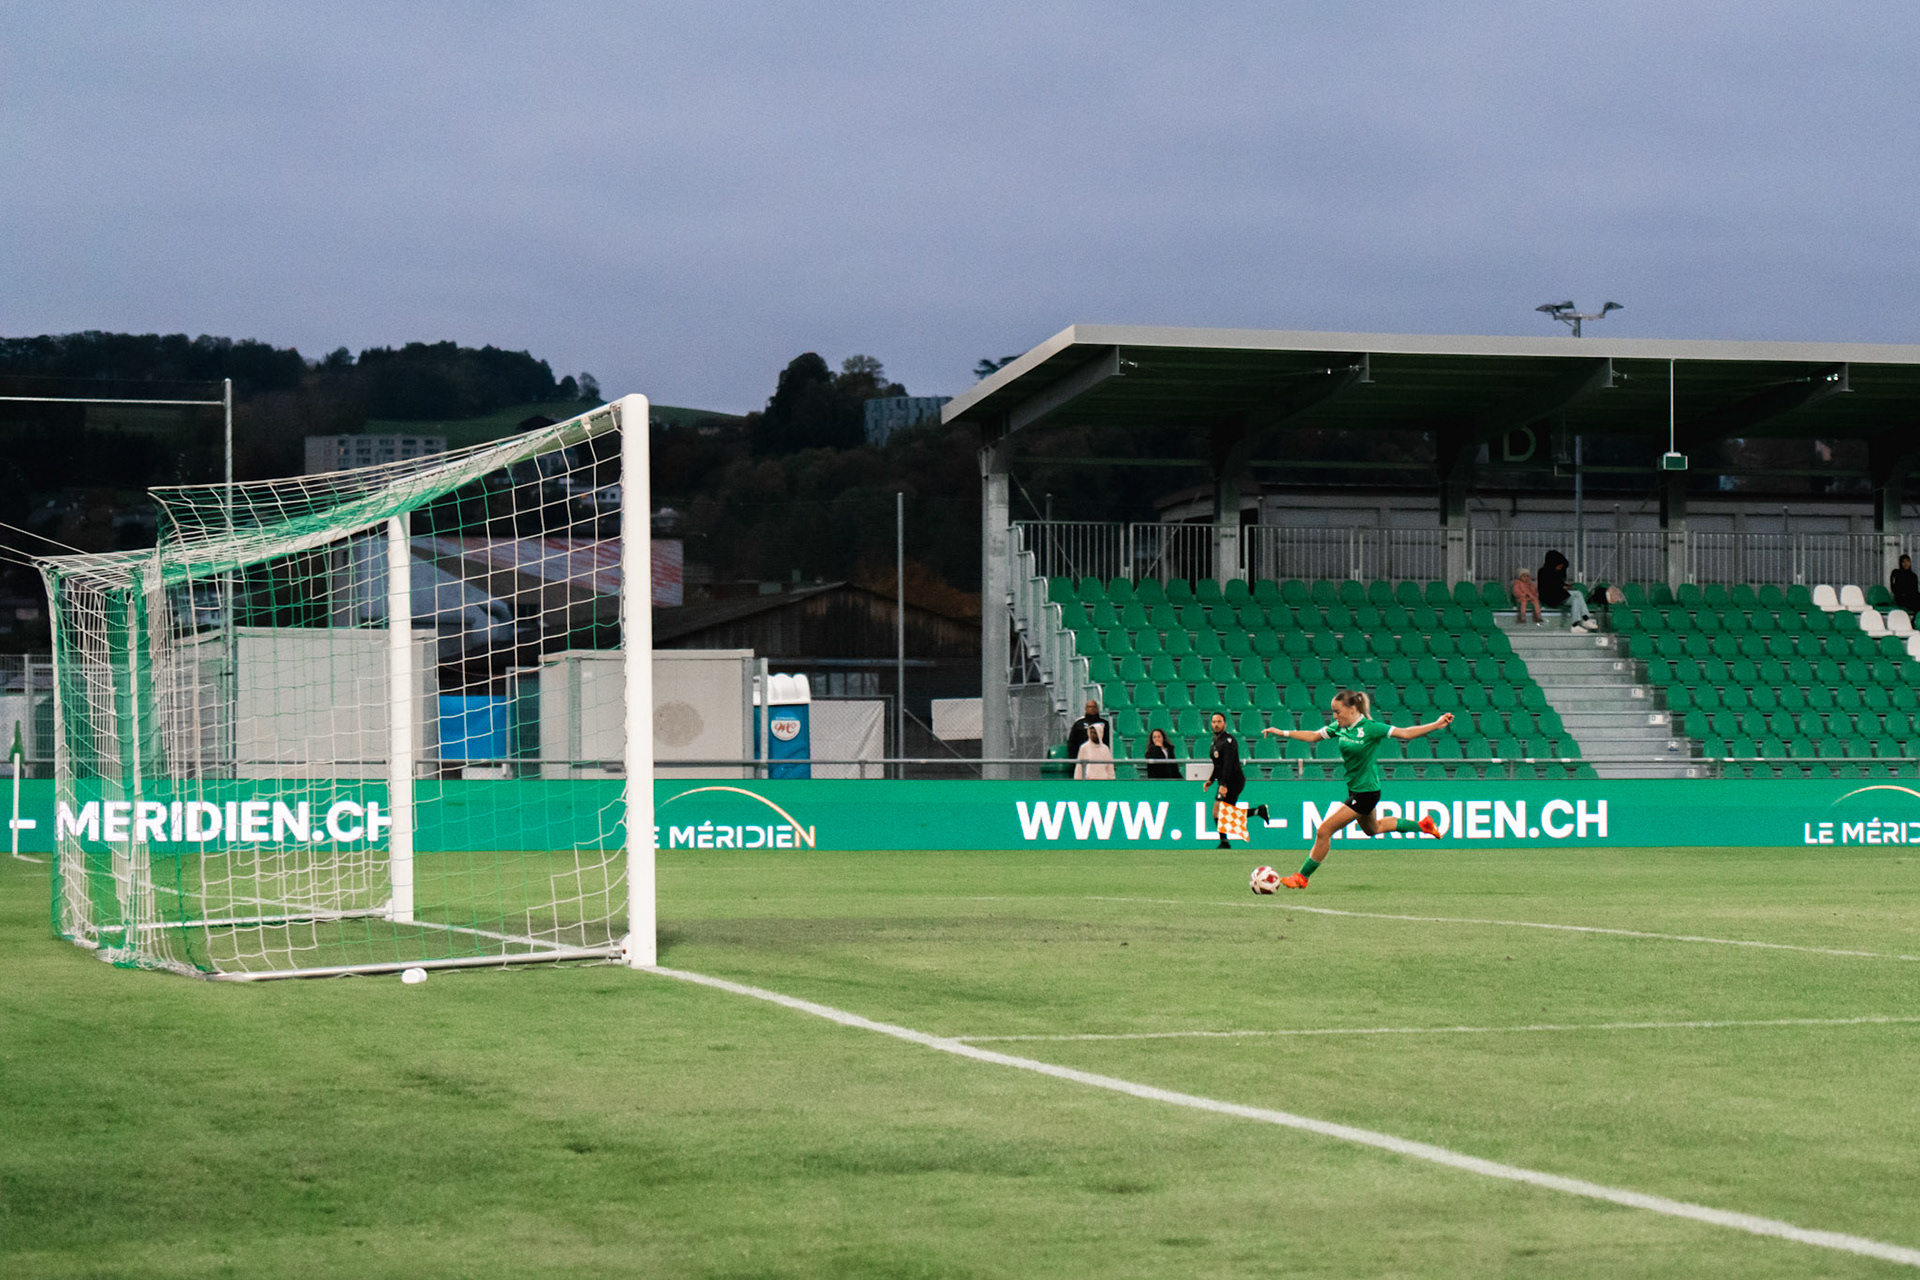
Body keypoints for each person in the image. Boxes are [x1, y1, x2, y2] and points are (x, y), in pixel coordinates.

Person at [1262, 690, 1453, 888]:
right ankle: (1423, 826)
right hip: (1356, 790)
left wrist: (1437, 724)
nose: (1334, 716)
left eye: (1337, 711)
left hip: (1366, 793)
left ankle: (1302, 877)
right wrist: (1282, 732)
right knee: (1373, 829)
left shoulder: (1371, 728)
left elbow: (1405, 733)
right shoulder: (1340, 727)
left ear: (1352, 709)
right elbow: (1313, 736)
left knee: (1324, 831)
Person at [1201, 711, 1270, 848]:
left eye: (1219, 722)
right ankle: (1225, 840)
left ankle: (1225, 841)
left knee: (1223, 812)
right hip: (1225, 781)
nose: (1216, 724)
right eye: (1214, 722)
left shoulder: (1229, 741)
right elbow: (1218, 765)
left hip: (1233, 781)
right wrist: (1211, 780)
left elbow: (1228, 763)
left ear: (1225, 724)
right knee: (1219, 811)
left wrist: (1224, 784)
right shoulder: (1215, 741)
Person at [1537, 549, 1596, 631]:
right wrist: (1565, 587)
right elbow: (1552, 587)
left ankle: (1575, 625)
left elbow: (1558, 586)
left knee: (1575, 600)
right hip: (1550, 597)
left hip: (1557, 596)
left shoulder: (1552, 572)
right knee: (1578, 594)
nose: (1560, 568)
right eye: (1559, 566)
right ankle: (1586, 619)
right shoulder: (1543, 572)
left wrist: (1564, 587)